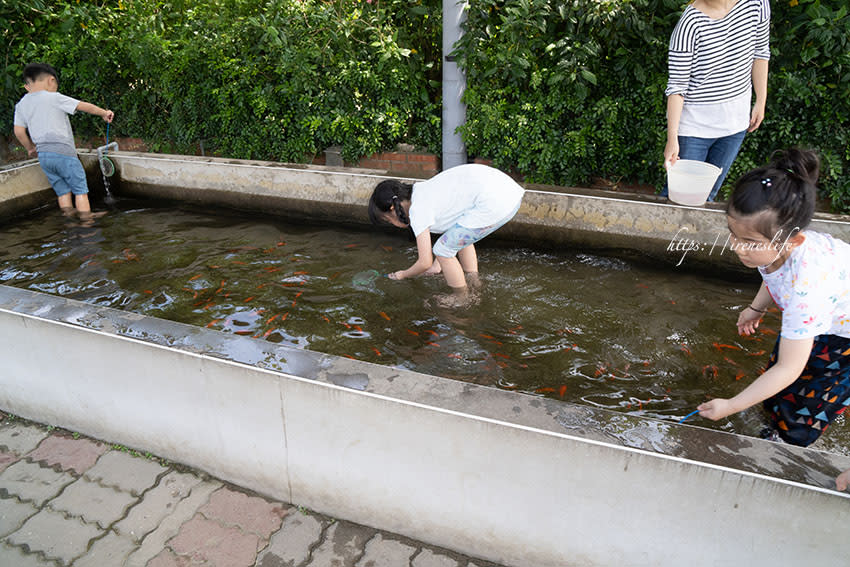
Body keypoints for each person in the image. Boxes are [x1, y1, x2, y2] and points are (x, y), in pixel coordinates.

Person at [697, 148, 850, 448]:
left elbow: (789, 368)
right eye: (733, 234)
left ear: (793, 241)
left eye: (750, 242)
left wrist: (731, 405)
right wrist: (756, 308)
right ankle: (773, 414)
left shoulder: (807, 287)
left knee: (813, 396)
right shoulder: (774, 251)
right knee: (784, 372)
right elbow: (773, 276)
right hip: (823, 313)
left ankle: (789, 444)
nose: (738, 248)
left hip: (844, 337)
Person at [367, 164, 524, 306]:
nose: (392, 224)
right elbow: (455, 230)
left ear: (392, 209)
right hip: (508, 193)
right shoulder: (422, 190)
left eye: (387, 220)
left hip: (495, 203)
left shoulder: (417, 211)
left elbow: (424, 262)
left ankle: (462, 298)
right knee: (457, 238)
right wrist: (438, 265)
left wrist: (403, 274)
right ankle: (473, 280)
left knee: (442, 250)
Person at [662, 0, 771, 202]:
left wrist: (761, 100)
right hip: (693, 130)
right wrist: (672, 138)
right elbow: (677, 86)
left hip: (735, 126)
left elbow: (760, 52)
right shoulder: (690, 22)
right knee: (680, 198)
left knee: (706, 196)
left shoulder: (757, 3)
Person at [13, 62, 114, 220]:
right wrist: (103, 113)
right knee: (80, 191)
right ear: (51, 80)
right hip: (64, 154)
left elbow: (18, 131)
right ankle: (87, 223)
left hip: (44, 156)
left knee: (62, 191)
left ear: (28, 85)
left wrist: (30, 148)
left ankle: (70, 221)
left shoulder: (21, 105)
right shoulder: (54, 98)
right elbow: (83, 106)